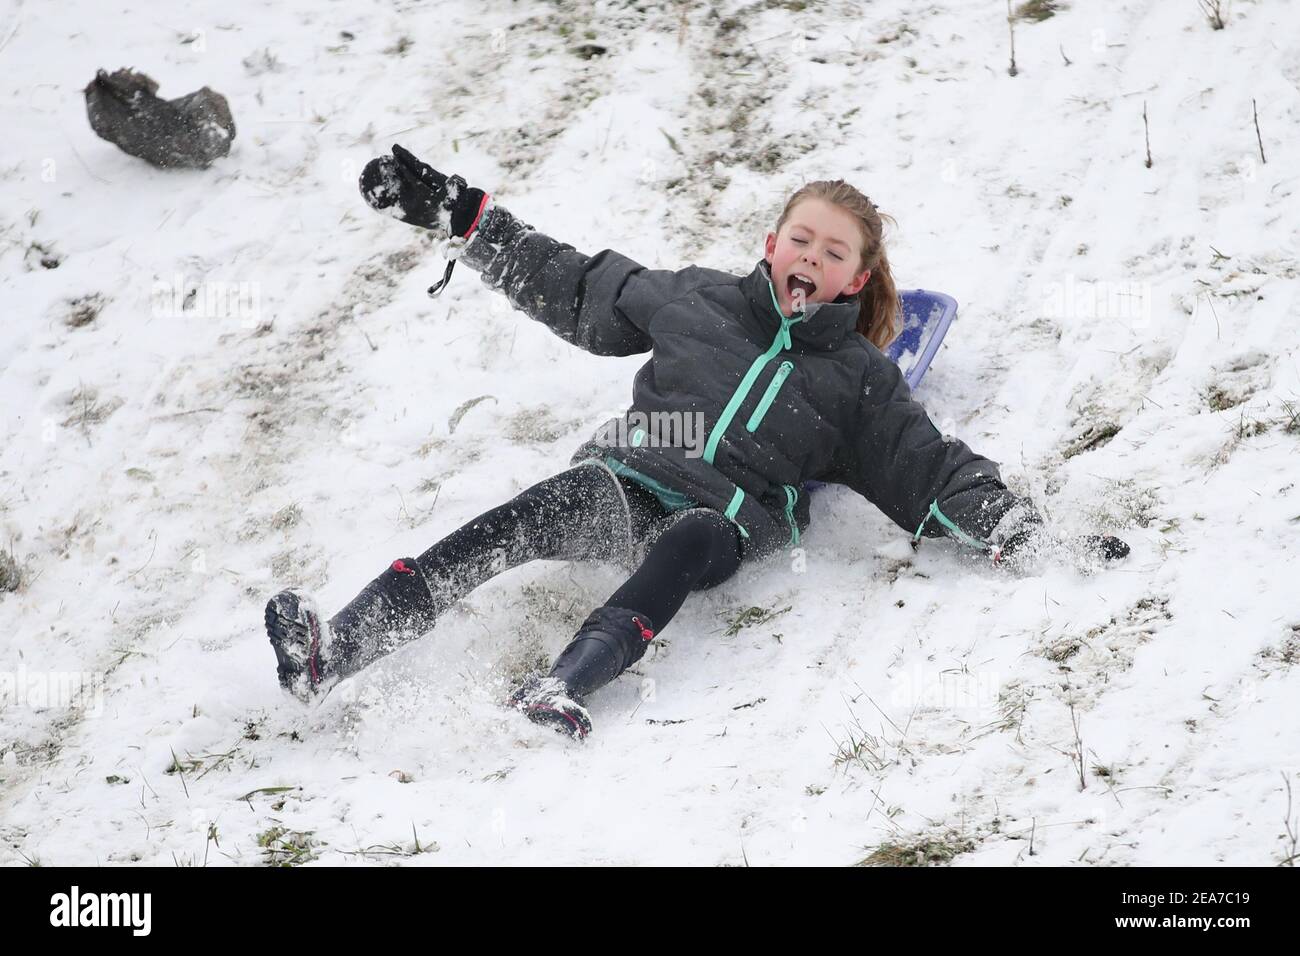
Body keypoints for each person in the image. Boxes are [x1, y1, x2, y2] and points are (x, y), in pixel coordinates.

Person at [264, 145, 1129, 739]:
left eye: (832, 253)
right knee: (522, 518)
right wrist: (463, 216)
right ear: (771, 243)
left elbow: (928, 469)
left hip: (728, 516)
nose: (810, 257)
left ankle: (566, 683)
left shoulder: (860, 378)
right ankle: (334, 650)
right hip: (628, 475)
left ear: (855, 280)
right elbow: (576, 287)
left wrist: (1021, 530)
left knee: (688, 539)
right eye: (800, 238)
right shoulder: (698, 300)